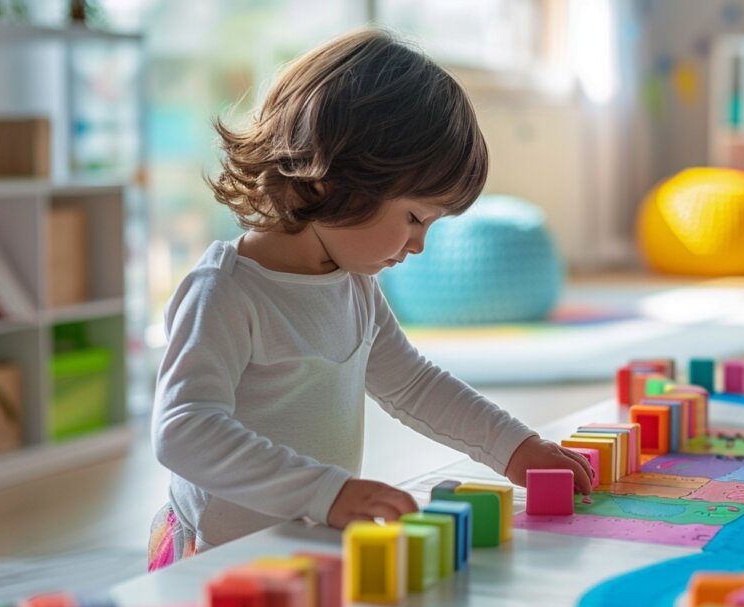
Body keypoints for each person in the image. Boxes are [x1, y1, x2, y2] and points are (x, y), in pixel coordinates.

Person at [147, 28, 594, 571]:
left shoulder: (352, 286)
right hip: (215, 558)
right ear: (332, 179)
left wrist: (513, 446)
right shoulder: (225, 291)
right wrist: (327, 493)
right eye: (414, 217)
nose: (419, 244)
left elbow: (413, 384)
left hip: (308, 542)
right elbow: (184, 429)